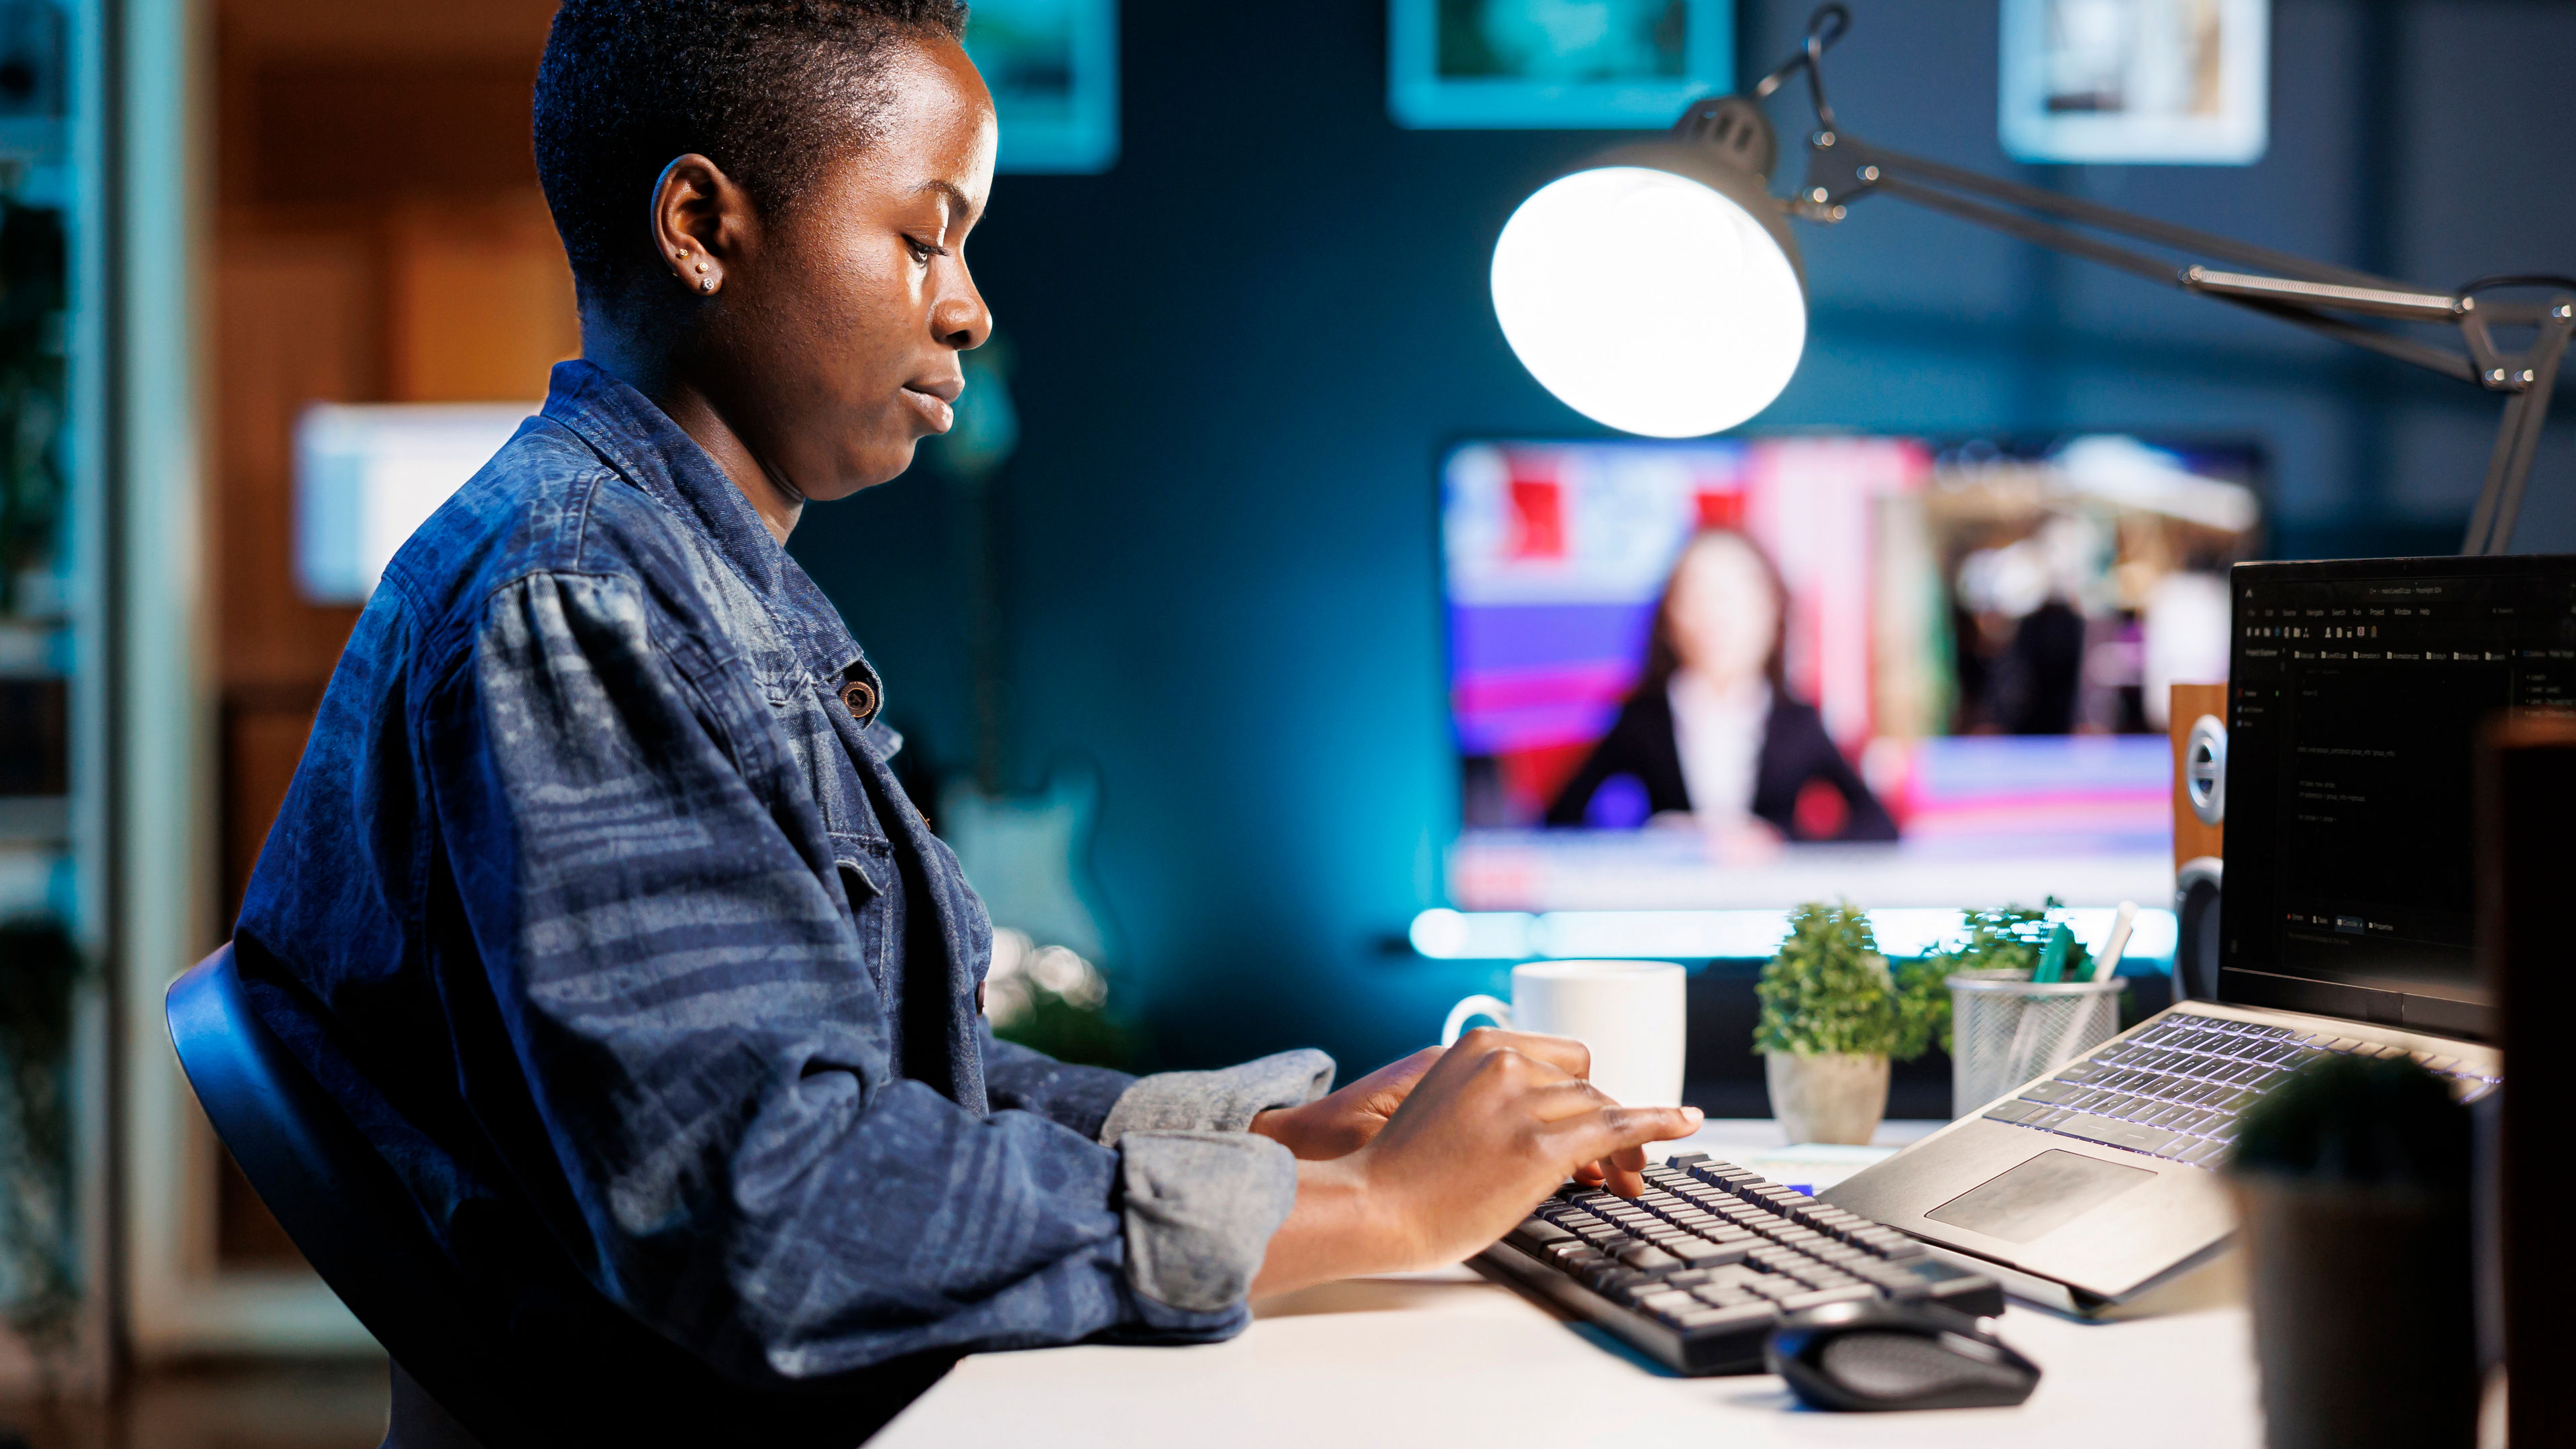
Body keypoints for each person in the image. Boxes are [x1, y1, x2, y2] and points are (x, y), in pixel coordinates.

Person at [227, 2, 1698, 1443]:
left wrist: (1261, 1144)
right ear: (699, 226)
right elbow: (778, 1207)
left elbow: (878, 1082)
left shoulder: (673, 582)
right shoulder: (582, 603)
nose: (970, 304)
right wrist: (1379, 1212)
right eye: (926, 236)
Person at [1545, 529, 1897, 841]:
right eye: (1698, 595)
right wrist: (1651, 837)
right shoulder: (1643, 718)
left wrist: (1776, 841)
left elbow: (1879, 826)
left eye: (1736, 595)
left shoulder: (1797, 722)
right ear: (1670, 617)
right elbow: (1560, 821)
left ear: (1772, 611)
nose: (1718, 614)